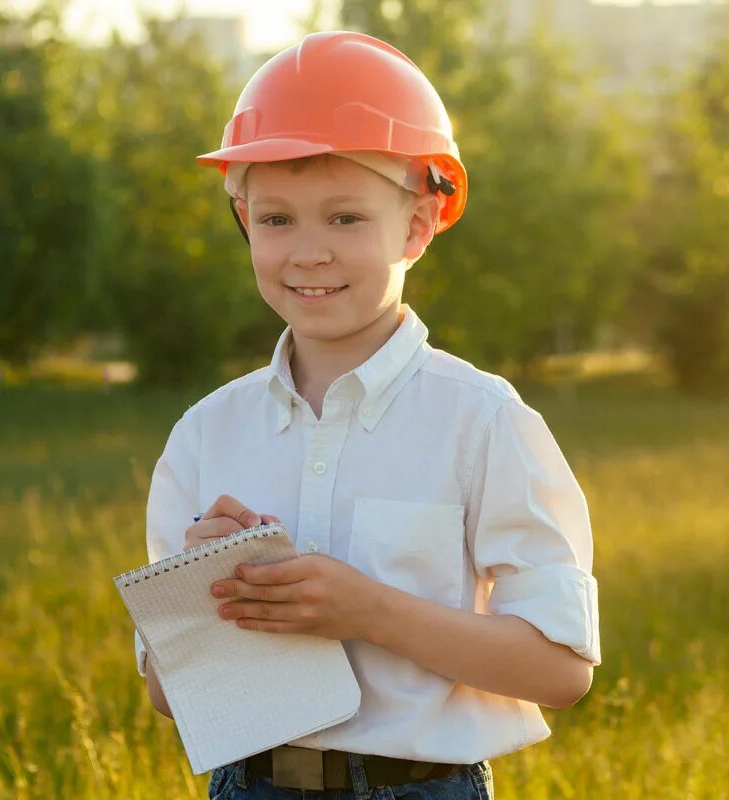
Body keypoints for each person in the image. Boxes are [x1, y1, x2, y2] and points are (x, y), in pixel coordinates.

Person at [135, 30, 602, 800]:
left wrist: (366, 610)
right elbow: (165, 696)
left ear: (417, 227)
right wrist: (204, 595)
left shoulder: (483, 423)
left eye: (345, 219)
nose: (307, 252)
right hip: (246, 785)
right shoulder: (206, 435)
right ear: (244, 220)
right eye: (277, 219)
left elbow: (559, 670)